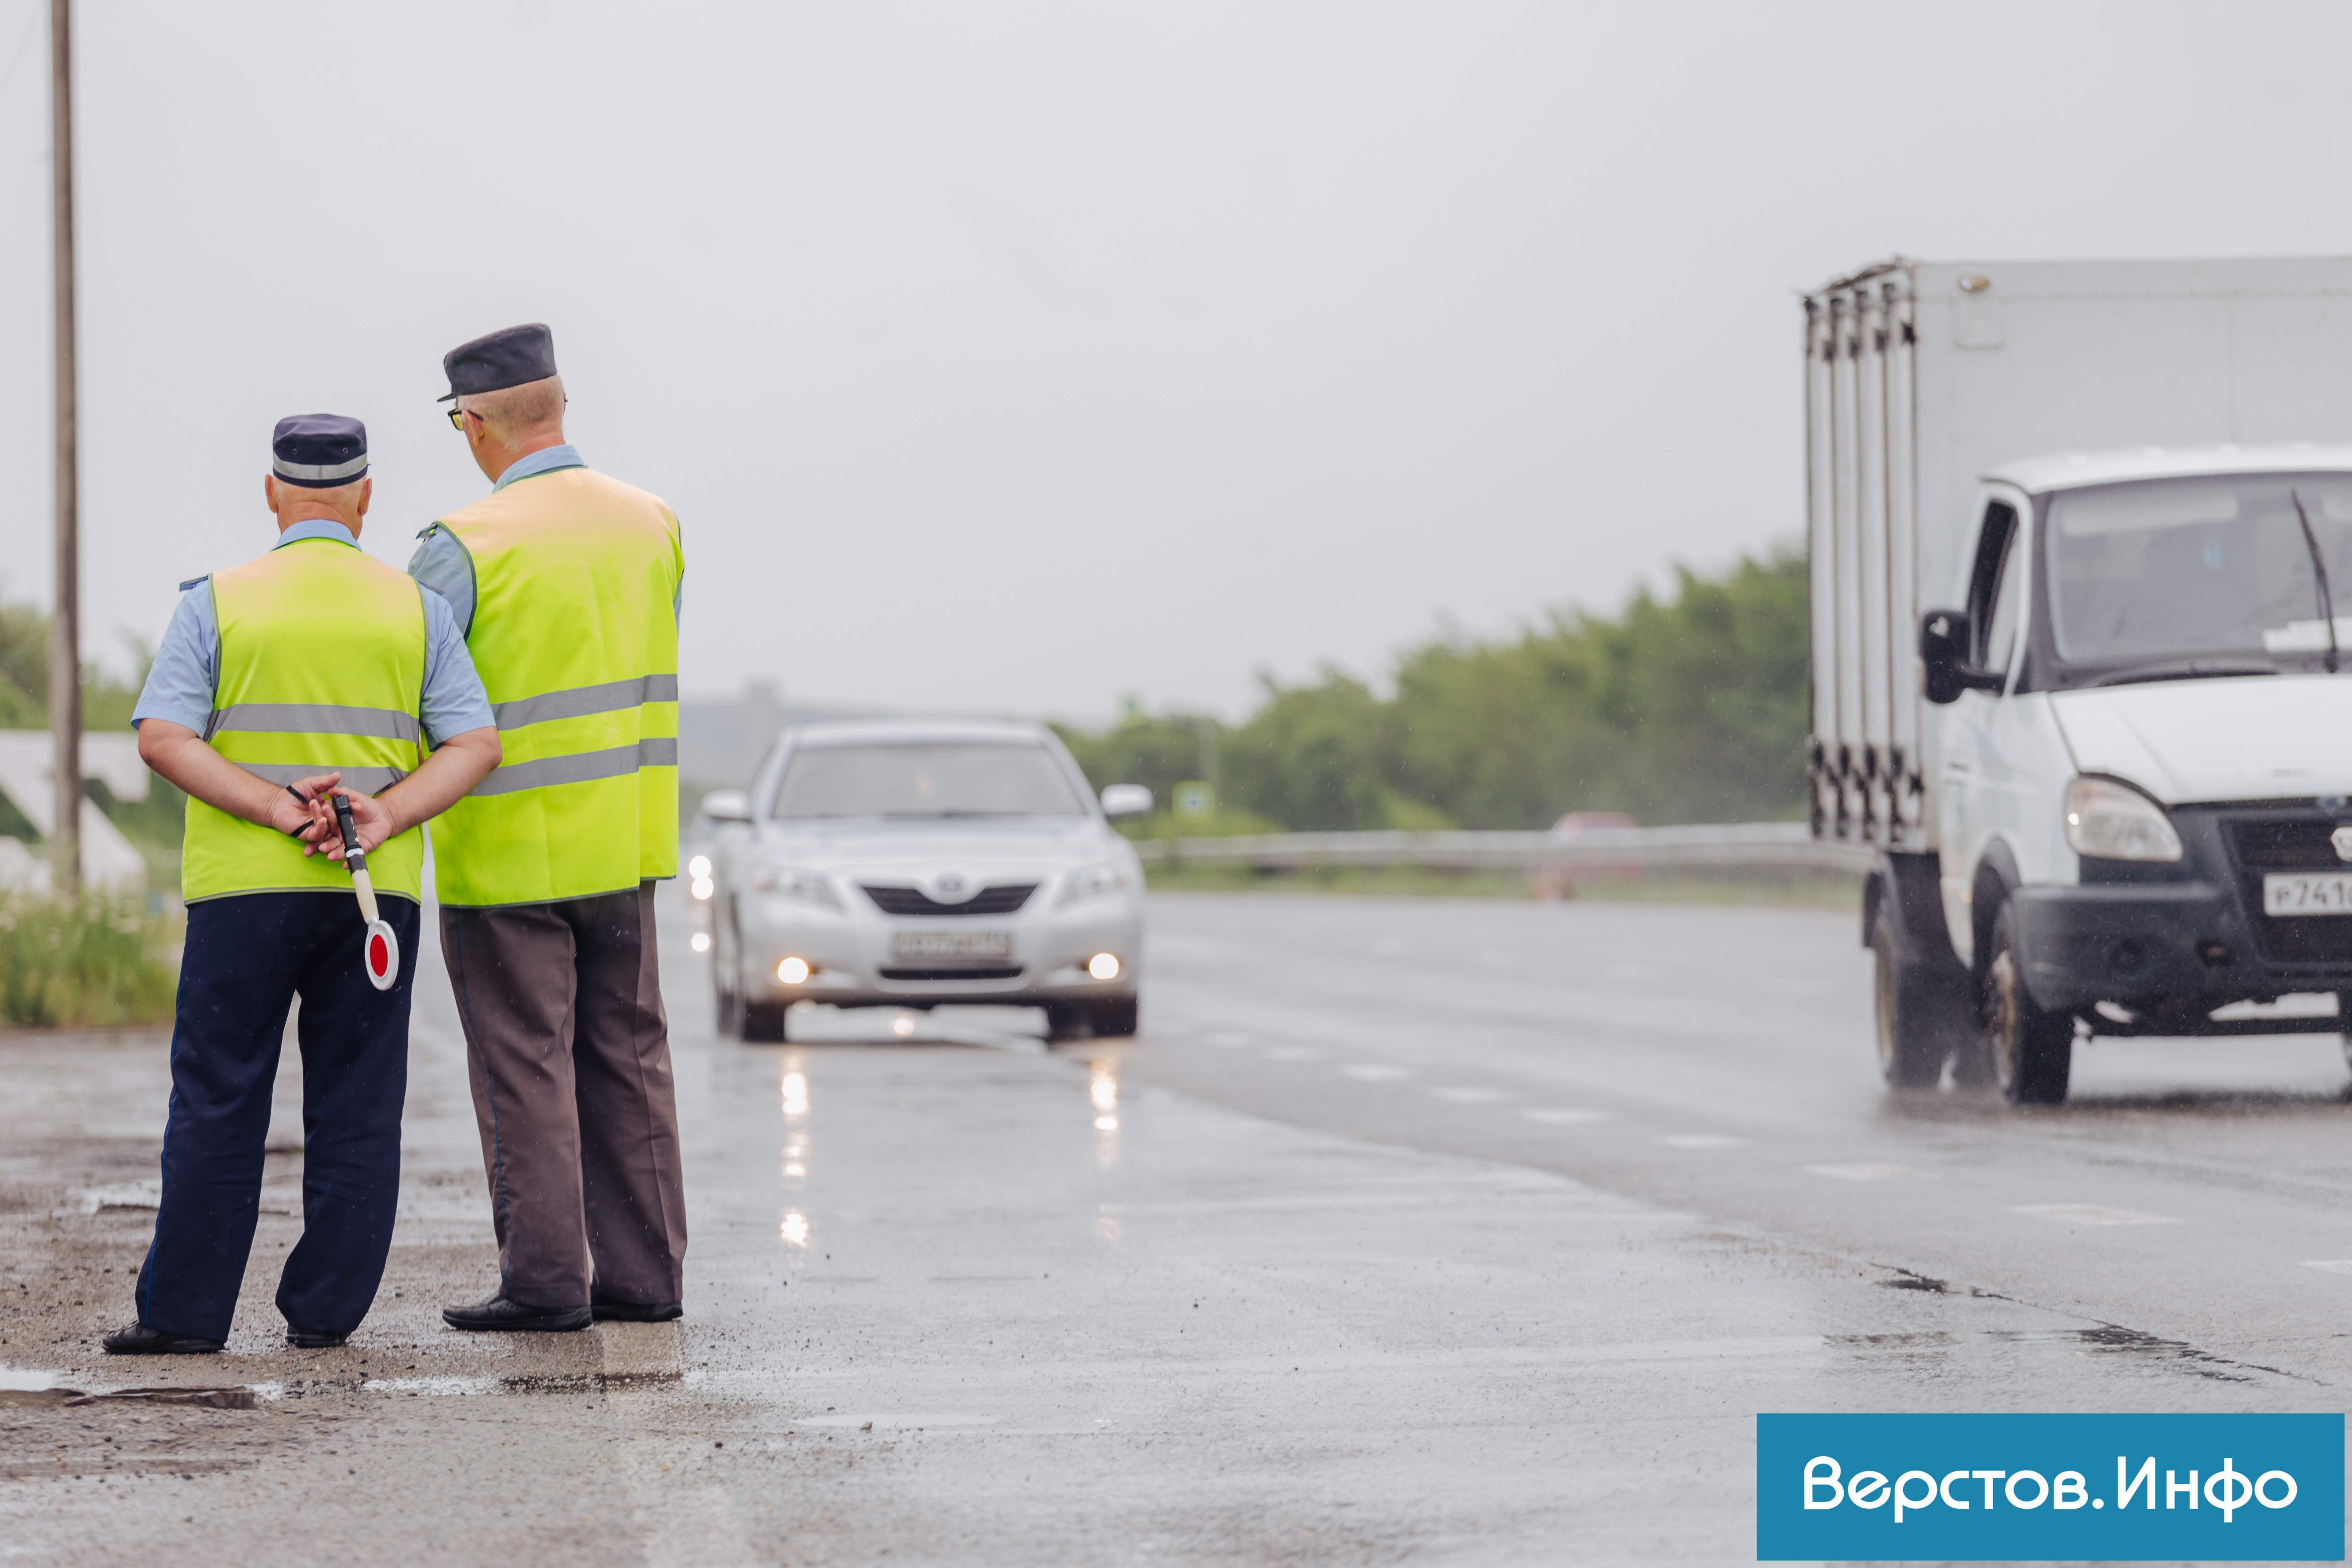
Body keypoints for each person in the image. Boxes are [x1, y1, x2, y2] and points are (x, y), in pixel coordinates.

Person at [104, 415, 500, 1355]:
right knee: (360, 1102)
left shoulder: (218, 602)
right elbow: (475, 743)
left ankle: (186, 1317)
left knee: (218, 1099)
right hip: (374, 894)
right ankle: (324, 1312)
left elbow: (162, 736)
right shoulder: (417, 611)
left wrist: (276, 808)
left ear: (273, 494)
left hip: (241, 894)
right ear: (366, 500)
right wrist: (386, 814)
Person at [404, 323, 689, 1332]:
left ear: (473, 422)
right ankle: (648, 1280)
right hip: (628, 843)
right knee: (630, 1055)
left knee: (525, 1063)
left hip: (509, 852)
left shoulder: (460, 546)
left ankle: (545, 1283)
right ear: (559, 407)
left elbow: (413, 695)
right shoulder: (652, 521)